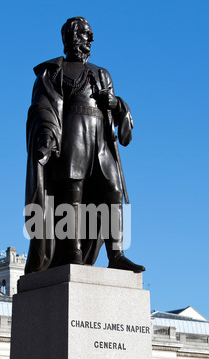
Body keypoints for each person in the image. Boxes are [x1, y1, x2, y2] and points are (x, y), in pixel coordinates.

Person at [24, 17, 145, 274]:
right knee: (72, 192)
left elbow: (119, 113)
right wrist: (47, 136)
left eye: (91, 35)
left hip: (100, 140)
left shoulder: (102, 73)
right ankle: (73, 251)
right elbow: (43, 108)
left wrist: (116, 104)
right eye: (87, 34)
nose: (91, 39)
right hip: (72, 135)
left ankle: (117, 253)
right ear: (71, 37)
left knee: (113, 190)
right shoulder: (52, 72)